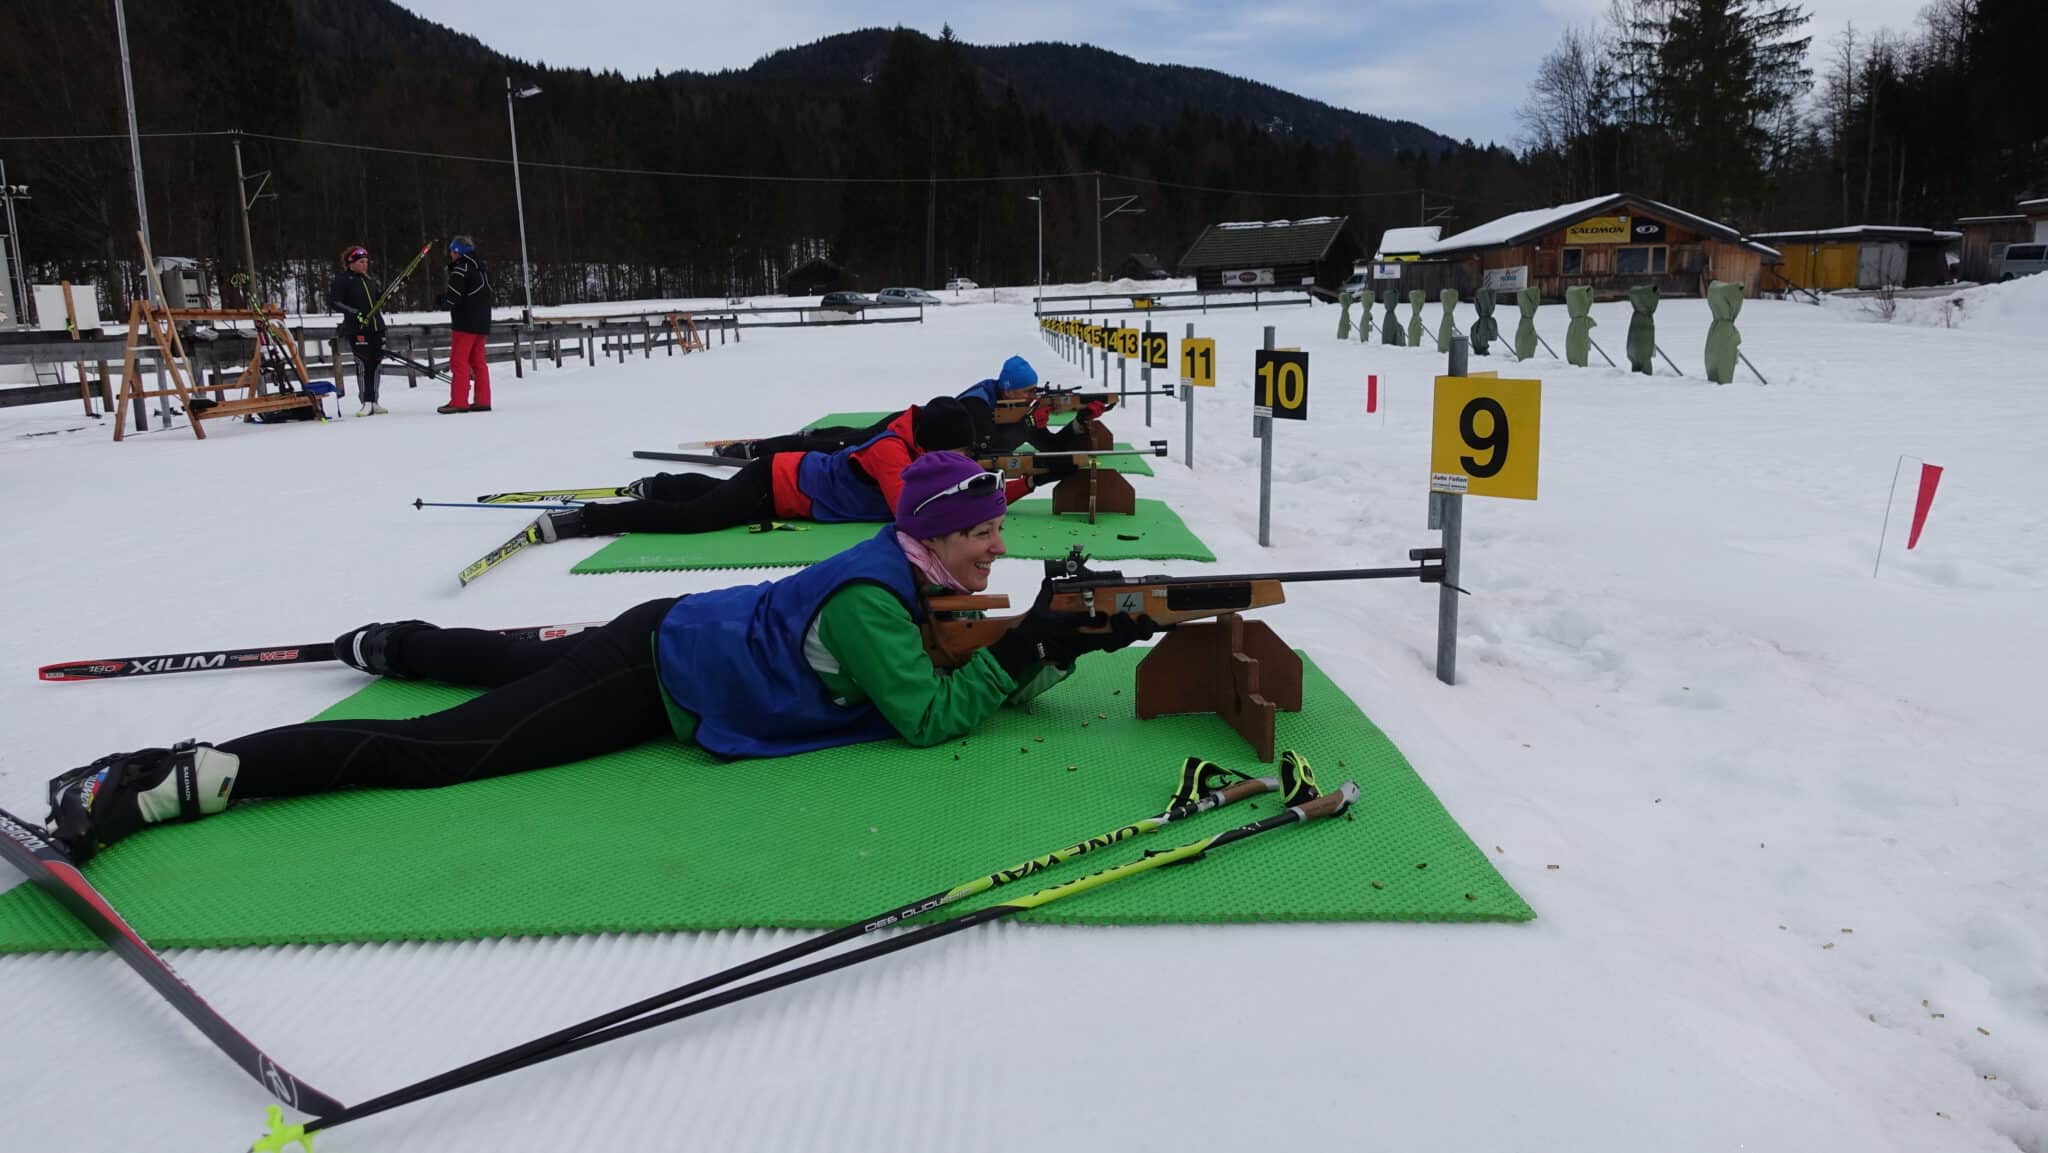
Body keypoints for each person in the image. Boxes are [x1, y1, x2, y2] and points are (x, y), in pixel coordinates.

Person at [44, 452, 1157, 862]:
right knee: (449, 750)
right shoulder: (875, 597)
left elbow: (956, 662)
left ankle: (390, 642)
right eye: (983, 533)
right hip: (655, 674)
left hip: (672, 633)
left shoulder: (905, 566)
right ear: (934, 534)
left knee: (509, 661)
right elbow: (927, 715)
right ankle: (180, 774)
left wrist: (1057, 640)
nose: (995, 548)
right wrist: (1035, 641)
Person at [548, 395, 1050, 540]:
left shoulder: (919, 451)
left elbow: (964, 497)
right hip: (778, 483)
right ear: (936, 444)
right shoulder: (891, 453)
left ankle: (658, 485)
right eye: (957, 452)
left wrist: (1028, 482)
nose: (960, 460)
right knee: (695, 520)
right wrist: (990, 488)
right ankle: (591, 518)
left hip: (785, 487)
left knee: (710, 498)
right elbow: (913, 516)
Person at [438, 235, 493, 414]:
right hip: (483, 323)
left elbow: (453, 298)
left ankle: (459, 401)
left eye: (452, 251)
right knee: (478, 362)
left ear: (457, 252)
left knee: (459, 361)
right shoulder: (483, 269)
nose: (450, 254)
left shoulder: (461, 270)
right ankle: (483, 400)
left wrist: (440, 300)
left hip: (465, 323)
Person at [330, 245, 387, 416]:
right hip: (358, 329)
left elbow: (378, 300)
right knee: (363, 363)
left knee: (376, 364)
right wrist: (355, 313)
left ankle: (374, 400)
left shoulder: (370, 281)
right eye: (361, 262)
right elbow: (335, 302)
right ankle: (366, 401)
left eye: (366, 262)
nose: (365, 265)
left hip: (376, 327)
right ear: (351, 263)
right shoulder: (343, 280)